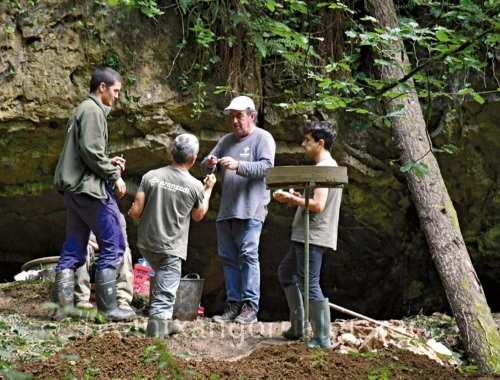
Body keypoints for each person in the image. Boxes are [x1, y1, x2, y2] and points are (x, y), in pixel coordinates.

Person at [52, 67, 135, 322]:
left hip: (73, 189)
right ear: (102, 87)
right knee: (114, 242)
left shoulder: (82, 110)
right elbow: (90, 151)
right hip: (88, 190)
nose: (117, 96)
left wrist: (106, 161)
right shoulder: (93, 111)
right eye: (116, 91)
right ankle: (109, 308)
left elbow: (84, 153)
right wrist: (114, 175)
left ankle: (63, 308)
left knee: (74, 247)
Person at [129, 133, 216, 338]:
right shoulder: (195, 186)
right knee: (165, 293)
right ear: (193, 159)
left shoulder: (151, 176)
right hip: (170, 248)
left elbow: (135, 212)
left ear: (171, 153)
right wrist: (208, 189)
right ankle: (155, 337)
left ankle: (166, 323)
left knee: (163, 279)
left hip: (147, 244)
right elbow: (198, 214)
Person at [201, 96, 276, 324]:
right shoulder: (226, 140)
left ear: (252, 116)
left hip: (251, 209)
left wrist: (238, 165)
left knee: (248, 256)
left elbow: (267, 167)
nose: (234, 120)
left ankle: (250, 308)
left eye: (239, 116)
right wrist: (210, 163)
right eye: (232, 116)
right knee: (228, 258)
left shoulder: (263, 138)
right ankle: (233, 305)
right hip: (227, 211)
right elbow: (204, 163)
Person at [272, 120, 342, 348]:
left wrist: (291, 198)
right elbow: (313, 199)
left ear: (320, 143)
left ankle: (322, 338)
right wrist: (298, 195)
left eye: (307, 140)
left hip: (313, 235)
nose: (303, 144)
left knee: (310, 283)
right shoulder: (326, 168)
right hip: (304, 235)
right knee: (286, 272)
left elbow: (318, 205)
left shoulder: (325, 169)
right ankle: (298, 327)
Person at [74, 213, 135, 315]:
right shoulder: (83, 214)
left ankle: (123, 301)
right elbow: (82, 240)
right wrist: (102, 246)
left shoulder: (118, 216)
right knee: (82, 247)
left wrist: (102, 246)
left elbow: (122, 243)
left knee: (125, 251)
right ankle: (81, 299)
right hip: (91, 257)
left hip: (111, 257)